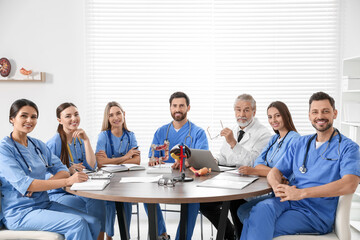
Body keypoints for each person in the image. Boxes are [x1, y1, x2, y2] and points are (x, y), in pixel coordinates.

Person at [240, 92, 360, 240]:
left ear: (334, 114)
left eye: (325, 111)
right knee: (260, 210)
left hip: (315, 213)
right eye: (315, 112)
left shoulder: (349, 148)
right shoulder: (301, 143)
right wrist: (278, 188)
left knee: (255, 223)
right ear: (309, 116)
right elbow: (274, 172)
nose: (320, 116)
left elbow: (350, 184)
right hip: (288, 201)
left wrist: (302, 193)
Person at [0, 99, 101, 240]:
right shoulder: (4, 149)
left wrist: (38, 186)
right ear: (12, 119)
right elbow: (26, 184)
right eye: (24, 116)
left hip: (44, 204)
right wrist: (67, 181)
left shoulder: (38, 145)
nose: (29, 120)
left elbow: (63, 170)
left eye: (33, 117)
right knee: (77, 224)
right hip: (20, 212)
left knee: (94, 222)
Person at [200, 93, 271, 240]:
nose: (241, 114)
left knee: (234, 202)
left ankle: (240, 236)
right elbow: (224, 158)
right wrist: (214, 160)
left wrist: (233, 143)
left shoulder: (263, 134)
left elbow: (254, 163)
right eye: (238, 110)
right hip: (229, 181)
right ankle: (229, 234)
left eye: (246, 110)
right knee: (205, 204)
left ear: (254, 111)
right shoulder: (233, 130)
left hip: (250, 185)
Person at [146, 91, 209, 240]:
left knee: (193, 202)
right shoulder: (161, 131)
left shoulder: (198, 133)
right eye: (174, 106)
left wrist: (185, 162)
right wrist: (154, 160)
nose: (177, 109)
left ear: (188, 107)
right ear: (170, 108)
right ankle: (161, 234)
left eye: (181, 105)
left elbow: (202, 159)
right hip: (163, 182)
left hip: (188, 183)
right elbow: (153, 156)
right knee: (146, 198)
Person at [46, 102, 106, 240]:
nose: (74, 118)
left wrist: (86, 140)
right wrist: (68, 170)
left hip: (78, 190)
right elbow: (47, 176)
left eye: (76, 114)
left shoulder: (78, 139)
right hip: (59, 194)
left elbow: (91, 166)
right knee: (91, 210)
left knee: (98, 202)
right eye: (68, 116)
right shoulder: (53, 143)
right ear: (59, 120)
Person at [237, 101, 300, 224]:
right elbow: (258, 162)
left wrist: (256, 171)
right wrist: (269, 171)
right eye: (270, 117)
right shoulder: (274, 139)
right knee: (242, 210)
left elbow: (284, 174)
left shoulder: (295, 139)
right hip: (271, 188)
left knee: (245, 211)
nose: (273, 120)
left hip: (284, 192)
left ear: (286, 116)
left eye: (277, 115)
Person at [95, 101, 140, 240]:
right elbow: (101, 163)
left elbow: (136, 161)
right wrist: (126, 157)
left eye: (118, 113)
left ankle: (125, 235)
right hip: (107, 180)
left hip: (126, 180)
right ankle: (109, 236)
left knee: (126, 203)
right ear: (107, 119)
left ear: (124, 114)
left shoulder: (130, 136)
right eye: (111, 115)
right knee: (108, 203)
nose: (116, 118)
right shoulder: (103, 136)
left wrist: (111, 160)